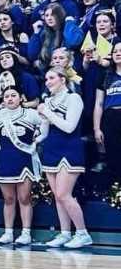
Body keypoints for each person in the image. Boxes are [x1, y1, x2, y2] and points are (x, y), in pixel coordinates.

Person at [0, 86, 45, 246]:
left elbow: (45, 123)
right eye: (7, 96)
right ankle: (8, 232)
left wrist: (37, 139)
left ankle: (26, 233)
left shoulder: (31, 114)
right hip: (5, 159)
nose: (10, 99)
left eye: (13, 95)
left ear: (21, 97)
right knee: (8, 199)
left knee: (24, 198)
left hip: (24, 159)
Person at [38, 69, 92, 249]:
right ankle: (65, 233)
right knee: (58, 197)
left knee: (64, 194)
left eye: (52, 78)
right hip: (51, 149)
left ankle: (83, 233)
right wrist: (34, 138)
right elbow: (45, 131)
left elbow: (69, 127)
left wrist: (48, 112)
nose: (48, 81)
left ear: (63, 79)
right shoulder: (48, 101)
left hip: (69, 149)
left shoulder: (73, 98)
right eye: (46, 78)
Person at [94, 41, 121, 186]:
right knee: (114, 156)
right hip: (110, 118)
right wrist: (96, 128)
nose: (118, 53)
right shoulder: (105, 76)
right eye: (115, 51)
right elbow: (98, 104)